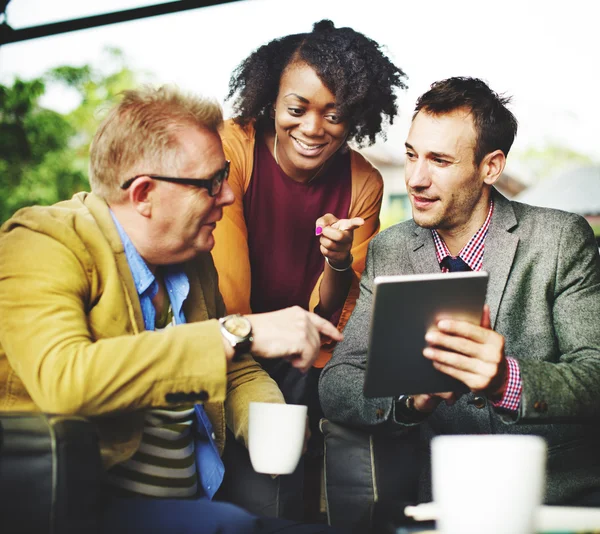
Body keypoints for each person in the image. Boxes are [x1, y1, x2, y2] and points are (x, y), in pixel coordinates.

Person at [0, 85, 349, 534]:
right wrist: (233, 331)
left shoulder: (192, 258)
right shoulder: (42, 244)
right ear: (144, 193)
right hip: (82, 506)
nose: (226, 196)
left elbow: (235, 369)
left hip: (193, 498)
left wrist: (270, 418)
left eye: (224, 175)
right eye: (210, 183)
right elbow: (64, 380)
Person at [319, 77, 600, 510]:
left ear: (490, 167)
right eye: (412, 156)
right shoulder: (389, 249)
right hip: (446, 501)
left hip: (552, 500)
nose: (415, 178)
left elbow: (595, 374)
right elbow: (337, 383)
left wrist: (506, 379)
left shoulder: (560, 238)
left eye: (440, 161)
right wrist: (409, 400)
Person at [211, 19, 407, 518]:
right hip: (231, 341)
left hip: (304, 356)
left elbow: (330, 314)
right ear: (271, 102)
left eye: (334, 115)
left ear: (356, 116)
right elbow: (231, 297)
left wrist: (338, 261)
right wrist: (255, 340)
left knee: (291, 492)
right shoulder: (233, 147)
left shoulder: (362, 182)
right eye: (296, 110)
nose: (312, 129)